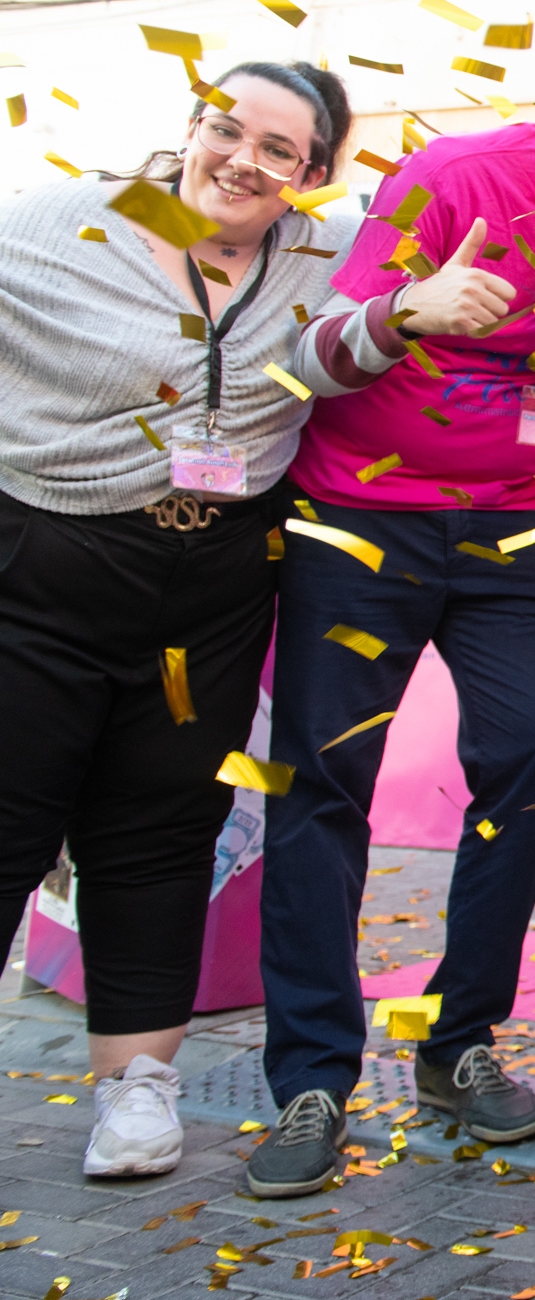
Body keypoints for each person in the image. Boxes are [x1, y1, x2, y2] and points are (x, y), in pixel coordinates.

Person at [250, 13, 535, 1198]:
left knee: (531, 761)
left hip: (516, 528)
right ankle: (310, 1077)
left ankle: (457, 1042)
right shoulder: (455, 174)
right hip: (360, 518)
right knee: (323, 779)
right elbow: (315, 347)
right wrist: (407, 313)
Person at [0, 62, 358, 1180]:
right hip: (45, 572)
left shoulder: (322, 252)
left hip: (209, 590)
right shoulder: (69, 225)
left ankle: (137, 1089)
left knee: (156, 835)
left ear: (314, 175)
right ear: (192, 131)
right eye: (224, 129)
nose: (240, 160)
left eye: (277, 150)